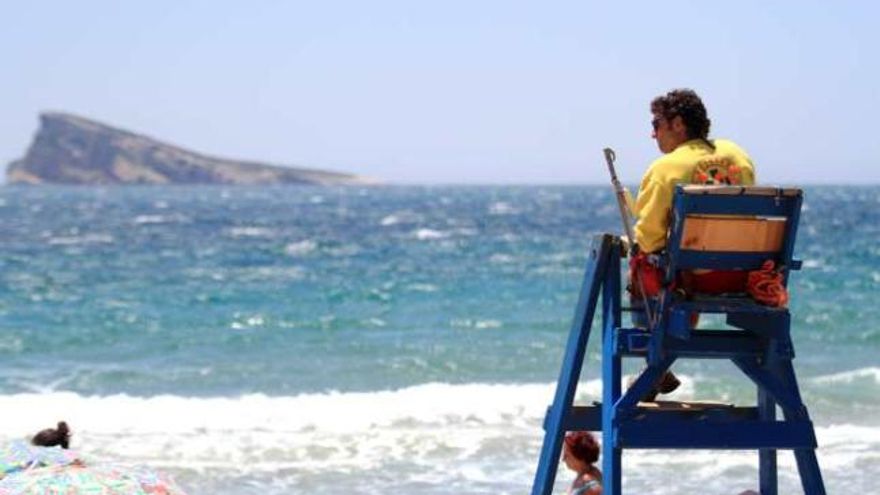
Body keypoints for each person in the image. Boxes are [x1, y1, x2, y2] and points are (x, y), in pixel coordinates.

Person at [630, 88, 756, 399]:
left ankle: (655, 359)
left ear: (678, 124)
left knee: (642, 265)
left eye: (657, 123)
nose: (652, 133)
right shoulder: (738, 155)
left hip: (691, 282)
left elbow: (648, 239)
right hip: (742, 277)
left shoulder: (666, 168)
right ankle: (659, 368)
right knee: (680, 264)